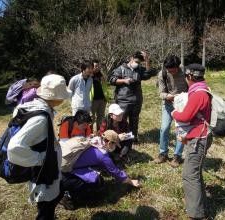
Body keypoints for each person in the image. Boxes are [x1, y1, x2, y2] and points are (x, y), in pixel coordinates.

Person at [7, 74, 71, 220]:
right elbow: (14, 148)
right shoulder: (40, 119)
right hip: (43, 172)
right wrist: (41, 159)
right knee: (46, 209)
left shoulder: (36, 106)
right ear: (55, 98)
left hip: (46, 168)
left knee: (56, 195)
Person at [172, 64, 212, 220]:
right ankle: (199, 205)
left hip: (199, 139)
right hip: (200, 136)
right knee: (195, 174)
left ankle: (196, 215)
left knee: (190, 175)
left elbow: (185, 116)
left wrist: (174, 112)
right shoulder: (204, 89)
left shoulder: (197, 94)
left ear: (189, 77)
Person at [60, 130, 140, 209]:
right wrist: (131, 181)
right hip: (66, 174)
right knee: (97, 181)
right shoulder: (102, 156)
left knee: (96, 173)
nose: (115, 147)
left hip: (62, 164)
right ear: (109, 143)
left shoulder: (95, 140)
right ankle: (71, 197)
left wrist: (117, 137)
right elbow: (116, 172)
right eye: (115, 144)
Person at [108, 51, 155, 143]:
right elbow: (111, 80)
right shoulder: (121, 68)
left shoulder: (139, 69)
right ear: (131, 58)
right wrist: (124, 80)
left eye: (139, 63)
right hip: (123, 100)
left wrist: (147, 61)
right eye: (136, 62)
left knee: (134, 120)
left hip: (136, 100)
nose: (137, 64)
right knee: (121, 120)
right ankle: (120, 138)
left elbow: (148, 74)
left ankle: (133, 138)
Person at [154, 55, 188, 168]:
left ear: (178, 67)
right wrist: (169, 96)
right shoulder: (162, 74)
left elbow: (191, 86)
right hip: (168, 104)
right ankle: (163, 153)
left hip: (182, 105)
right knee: (164, 128)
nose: (171, 72)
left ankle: (177, 156)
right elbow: (161, 93)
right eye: (169, 70)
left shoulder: (185, 71)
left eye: (173, 70)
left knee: (181, 130)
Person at [90, 59, 109, 131]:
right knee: (91, 117)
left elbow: (105, 87)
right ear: (92, 67)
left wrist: (106, 98)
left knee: (101, 117)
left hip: (102, 99)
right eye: (95, 66)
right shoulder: (89, 76)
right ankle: (89, 133)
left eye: (98, 66)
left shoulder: (101, 75)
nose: (97, 67)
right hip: (93, 100)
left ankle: (99, 133)